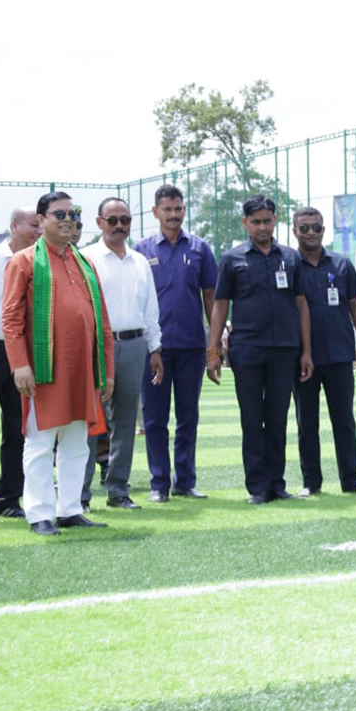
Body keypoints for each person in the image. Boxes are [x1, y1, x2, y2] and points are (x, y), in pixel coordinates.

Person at [2, 192, 114, 535]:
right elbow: (10, 319)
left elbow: (103, 323)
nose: (69, 219)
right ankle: (39, 513)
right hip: (44, 369)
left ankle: (69, 508)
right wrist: (20, 365)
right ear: (41, 220)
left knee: (77, 442)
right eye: (60, 214)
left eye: (74, 213)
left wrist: (106, 372)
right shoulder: (23, 262)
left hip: (83, 371)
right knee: (39, 442)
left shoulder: (84, 262)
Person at [207, 195, 313, 504]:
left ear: (275, 220)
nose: (262, 226)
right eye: (255, 222)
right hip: (247, 350)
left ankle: (277, 484)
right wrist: (212, 351)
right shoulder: (232, 259)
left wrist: (306, 351)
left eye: (267, 220)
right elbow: (219, 306)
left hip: (285, 350)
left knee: (278, 418)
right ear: (245, 223)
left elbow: (301, 304)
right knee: (251, 419)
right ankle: (257, 487)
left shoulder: (292, 258)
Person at [133, 184, 218, 502]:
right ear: (155, 212)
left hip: (191, 346)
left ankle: (185, 481)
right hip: (152, 349)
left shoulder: (199, 248)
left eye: (178, 208)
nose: (173, 215)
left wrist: (214, 345)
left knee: (188, 417)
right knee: (154, 419)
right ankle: (159, 484)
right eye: (167, 209)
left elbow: (211, 297)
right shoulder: (141, 250)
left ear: (185, 210)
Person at [81, 197, 164, 510]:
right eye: (112, 220)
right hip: (95, 347)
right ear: (99, 222)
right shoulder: (85, 258)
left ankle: (118, 491)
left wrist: (154, 347)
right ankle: (80, 495)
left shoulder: (140, 261)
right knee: (90, 422)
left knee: (127, 421)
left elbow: (150, 308)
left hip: (133, 345)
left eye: (124, 220)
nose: (119, 226)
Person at [290, 206, 356, 497]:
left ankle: (351, 480)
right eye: (304, 228)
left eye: (316, 227)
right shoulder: (289, 265)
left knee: (344, 421)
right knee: (306, 424)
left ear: (324, 230)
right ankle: (311, 483)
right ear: (294, 231)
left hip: (339, 355)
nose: (311, 233)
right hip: (302, 358)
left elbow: (354, 306)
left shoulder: (341, 265)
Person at [0, 208, 41, 519]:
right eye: (34, 224)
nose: (38, 230)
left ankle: (8, 500)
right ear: (13, 226)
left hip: (22, 352)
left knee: (18, 430)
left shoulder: (39, 261)